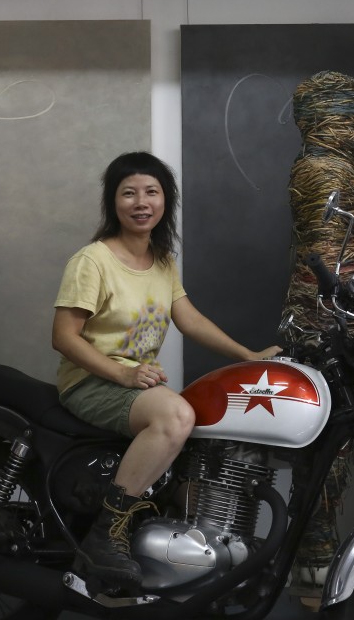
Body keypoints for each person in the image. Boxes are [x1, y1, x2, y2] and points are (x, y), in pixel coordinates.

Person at [52, 151, 281, 591]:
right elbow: (64, 336)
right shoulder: (93, 260)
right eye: (129, 193)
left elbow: (189, 318)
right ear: (112, 202)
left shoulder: (161, 262)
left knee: (203, 439)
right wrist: (121, 375)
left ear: (165, 200)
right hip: (91, 382)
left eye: (152, 192)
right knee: (176, 416)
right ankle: (104, 535)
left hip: (136, 383)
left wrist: (248, 356)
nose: (141, 202)